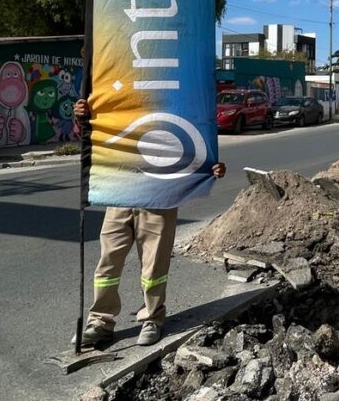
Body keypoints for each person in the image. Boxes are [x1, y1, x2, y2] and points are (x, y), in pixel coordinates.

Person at [72, 97, 226, 349]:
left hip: (160, 196)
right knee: (108, 263)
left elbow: (192, 136)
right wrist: (83, 118)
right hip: (120, 192)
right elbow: (97, 136)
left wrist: (209, 166)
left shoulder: (174, 97)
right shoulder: (121, 95)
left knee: (154, 266)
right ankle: (100, 322)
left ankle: (152, 318)